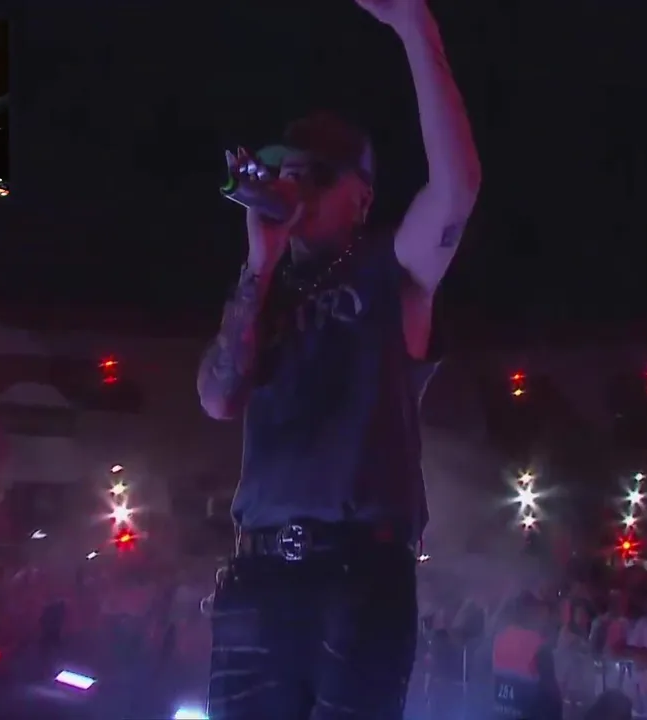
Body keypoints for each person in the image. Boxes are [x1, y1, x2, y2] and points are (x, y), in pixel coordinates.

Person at [197, 0, 481, 715]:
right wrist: (258, 264)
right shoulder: (263, 290)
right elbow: (217, 397)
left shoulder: (392, 268)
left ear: (362, 197)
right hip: (259, 573)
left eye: (317, 176)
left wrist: (415, 28)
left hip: (359, 571)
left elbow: (456, 192)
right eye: (285, 174)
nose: (294, 189)